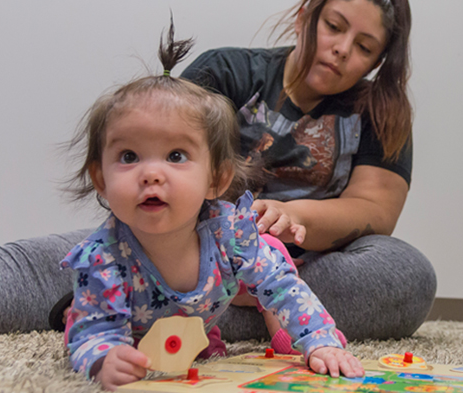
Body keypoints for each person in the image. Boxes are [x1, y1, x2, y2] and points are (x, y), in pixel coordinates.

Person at [60, 25, 363, 391]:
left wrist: (320, 340)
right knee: (83, 329)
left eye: (176, 156)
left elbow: (283, 287)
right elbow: (95, 333)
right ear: (101, 179)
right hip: (133, 345)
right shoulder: (102, 258)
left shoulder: (231, 234)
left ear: (217, 179)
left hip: (192, 342)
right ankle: (68, 310)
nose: (151, 174)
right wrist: (103, 358)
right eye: (129, 156)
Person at [176, 0, 436, 352]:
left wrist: (294, 216)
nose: (342, 50)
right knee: (93, 253)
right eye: (333, 26)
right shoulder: (224, 71)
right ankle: (287, 315)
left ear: (377, 61)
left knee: (409, 273)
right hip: (204, 251)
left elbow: (376, 210)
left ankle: (203, 311)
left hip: (311, 263)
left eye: (364, 47)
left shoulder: (380, 109)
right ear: (304, 18)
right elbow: (167, 167)